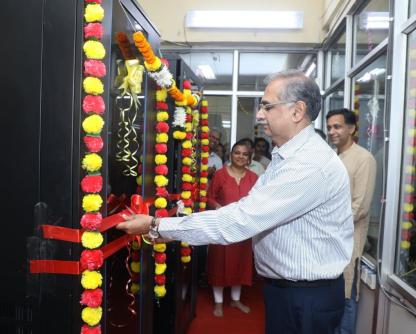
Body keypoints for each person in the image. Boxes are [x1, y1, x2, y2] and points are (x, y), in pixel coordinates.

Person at [117, 70, 353, 334]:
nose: (260, 115)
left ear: (297, 111)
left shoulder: (308, 164)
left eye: (267, 106)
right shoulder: (288, 156)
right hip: (289, 291)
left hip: (305, 298)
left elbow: (242, 219)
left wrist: (157, 226)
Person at [326, 108, 376, 334]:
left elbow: (361, 207)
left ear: (352, 128)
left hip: (348, 242)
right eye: (329, 127)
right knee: (332, 301)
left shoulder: (363, 158)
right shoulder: (335, 157)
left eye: (337, 126)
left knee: (346, 298)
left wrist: (329, 225)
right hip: (329, 241)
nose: (331, 132)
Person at [206, 140, 258, 317]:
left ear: (249, 158)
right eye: (237, 153)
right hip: (222, 225)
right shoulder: (220, 175)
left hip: (243, 228)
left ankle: (236, 300)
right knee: (219, 262)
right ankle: (218, 302)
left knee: (240, 263)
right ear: (230, 155)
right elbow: (209, 197)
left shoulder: (253, 178)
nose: (240, 156)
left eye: (245, 154)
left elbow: (257, 202)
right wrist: (219, 208)